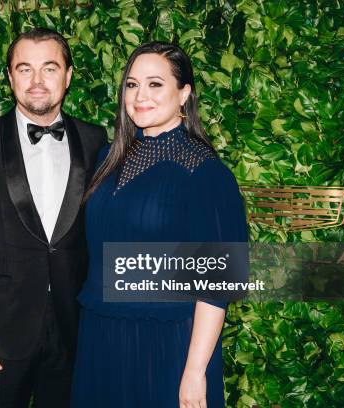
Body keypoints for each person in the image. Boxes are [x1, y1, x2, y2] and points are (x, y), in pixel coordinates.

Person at [71, 41, 248, 408]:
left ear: (184, 93)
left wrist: (195, 371)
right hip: (102, 336)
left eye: (155, 84)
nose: (140, 96)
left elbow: (217, 285)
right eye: (132, 85)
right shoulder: (108, 158)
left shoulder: (205, 173)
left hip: (166, 346)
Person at [0, 28, 107, 408]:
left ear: (67, 77)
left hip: (74, 331)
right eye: (24, 69)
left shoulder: (96, 140)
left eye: (49, 69)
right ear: (10, 77)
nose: (36, 81)